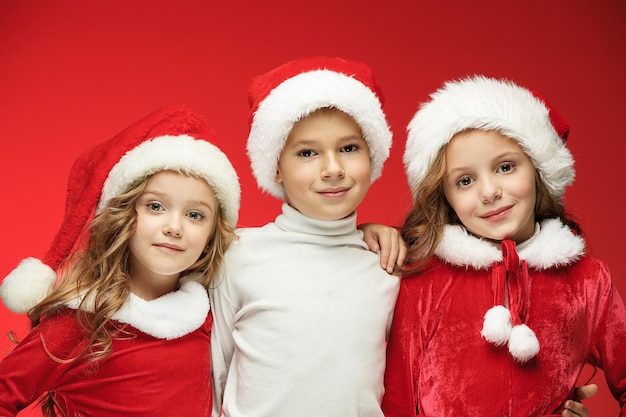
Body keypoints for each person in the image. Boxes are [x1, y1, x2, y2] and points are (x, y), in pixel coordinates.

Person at [381, 75, 626, 416]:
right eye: (465, 180)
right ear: (445, 198)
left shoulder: (587, 280)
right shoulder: (423, 280)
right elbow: (398, 401)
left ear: (538, 169)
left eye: (505, 167)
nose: (489, 192)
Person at [0, 104, 241, 417]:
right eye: (156, 207)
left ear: (212, 234)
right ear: (123, 215)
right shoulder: (81, 322)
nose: (174, 227)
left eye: (195, 215)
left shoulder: (210, 316)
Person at [209, 56, 402, 417]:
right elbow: (210, 375)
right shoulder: (239, 255)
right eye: (307, 153)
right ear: (276, 168)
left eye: (349, 148)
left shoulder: (386, 263)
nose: (333, 169)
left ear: (371, 155)